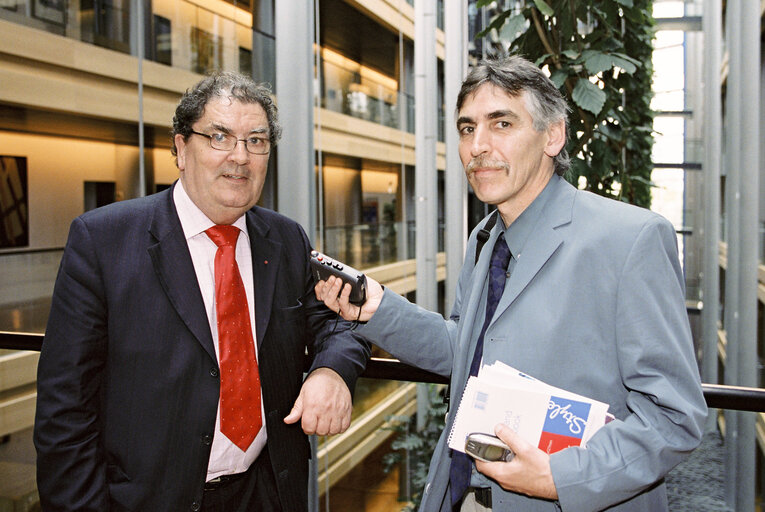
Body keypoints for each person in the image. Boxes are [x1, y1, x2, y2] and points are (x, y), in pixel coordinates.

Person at [316, 56, 707, 512]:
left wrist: (560, 477)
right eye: (466, 129)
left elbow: (673, 417)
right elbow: (471, 350)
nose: (478, 146)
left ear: (553, 135)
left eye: (501, 123)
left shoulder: (630, 239)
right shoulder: (484, 239)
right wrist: (376, 309)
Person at [34, 71, 371, 512]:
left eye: (256, 141)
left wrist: (331, 371)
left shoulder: (287, 240)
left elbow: (339, 321)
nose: (240, 156)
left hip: (267, 492)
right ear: (179, 148)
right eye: (219, 137)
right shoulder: (103, 241)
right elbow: (64, 410)